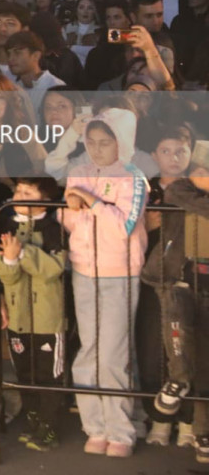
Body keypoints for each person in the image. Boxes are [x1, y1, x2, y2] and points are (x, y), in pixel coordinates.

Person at [61, 108, 149, 456]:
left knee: (113, 355)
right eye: (92, 142)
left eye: (105, 143)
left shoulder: (134, 177)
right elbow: (68, 219)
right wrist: (74, 205)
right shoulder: (78, 171)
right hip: (84, 271)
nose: (97, 150)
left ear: (122, 143)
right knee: (89, 352)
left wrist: (92, 202)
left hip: (119, 274)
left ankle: (122, 431)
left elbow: (124, 226)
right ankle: (95, 426)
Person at [143, 140, 209, 463]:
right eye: (201, 171)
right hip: (176, 281)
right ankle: (178, 380)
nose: (206, 178)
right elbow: (178, 195)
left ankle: (203, 433)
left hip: (206, 288)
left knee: (206, 361)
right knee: (176, 330)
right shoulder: (180, 190)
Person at [0, 177, 67, 453]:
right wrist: (10, 260)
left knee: (49, 373)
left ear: (45, 199)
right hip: (18, 316)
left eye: (28, 191)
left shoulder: (53, 228)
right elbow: (3, 273)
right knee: (24, 370)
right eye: (18, 190)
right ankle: (33, 418)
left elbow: (54, 269)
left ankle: (49, 427)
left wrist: (23, 252)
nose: (19, 195)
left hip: (48, 317)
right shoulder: (6, 224)